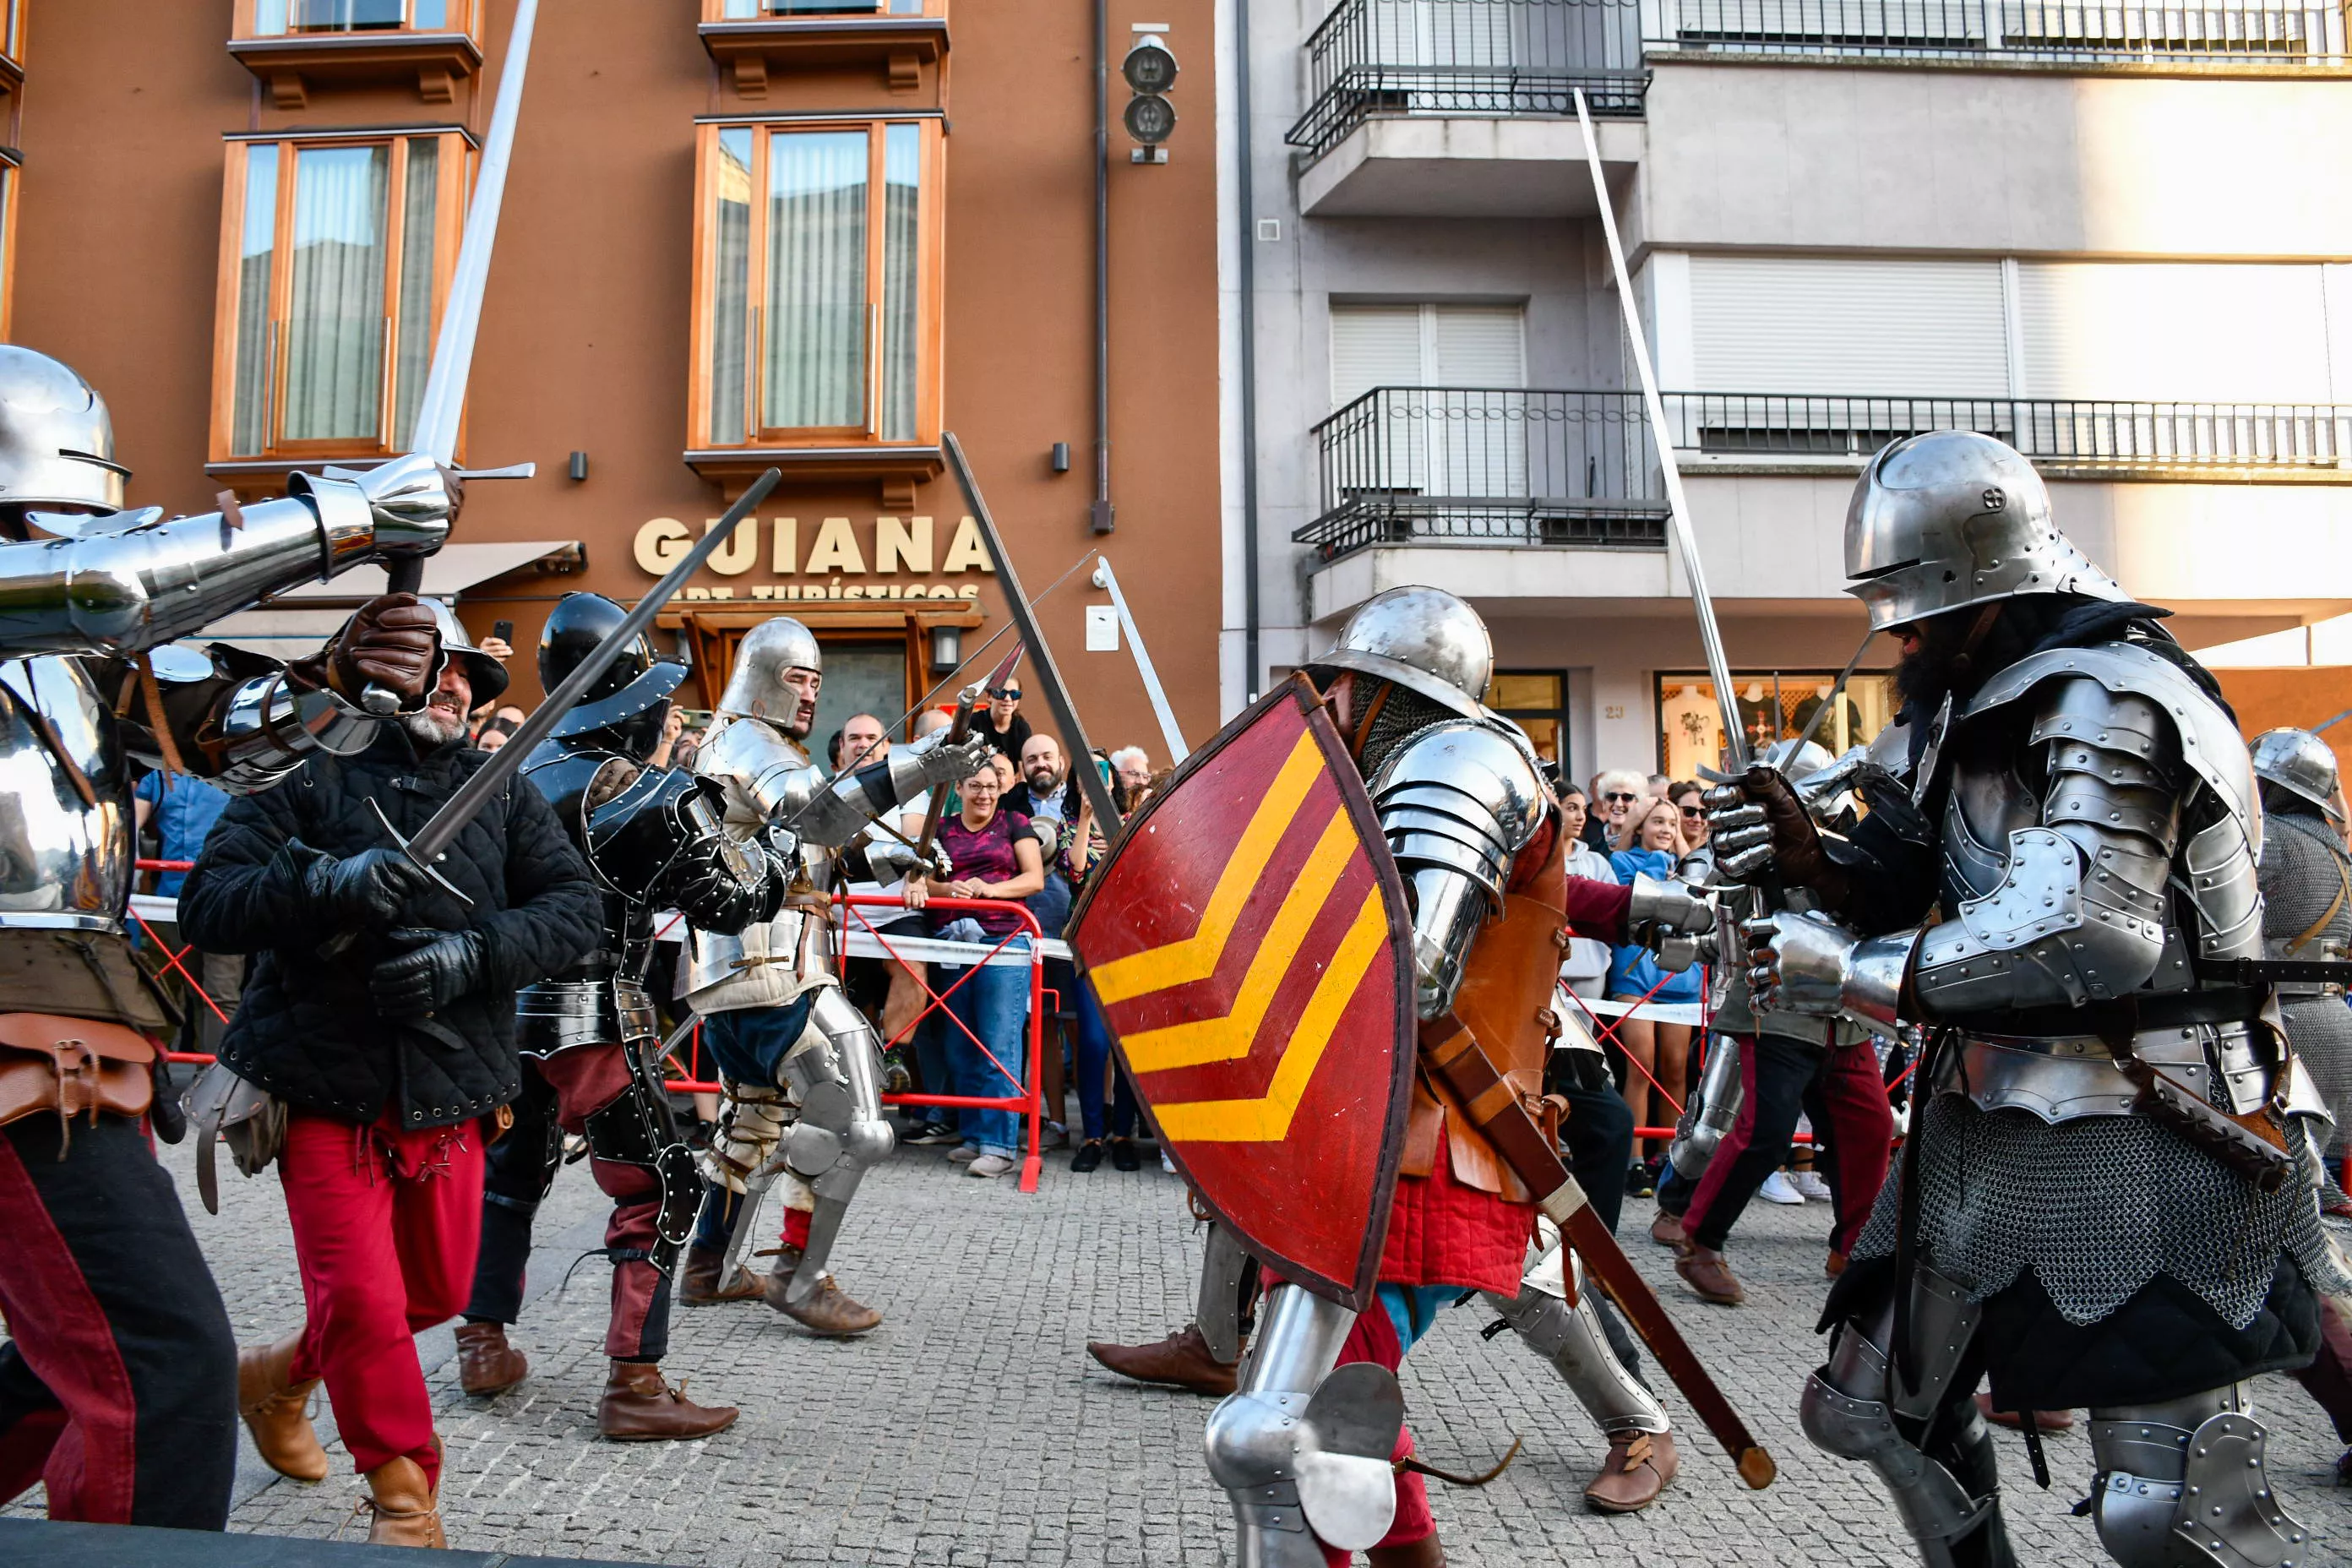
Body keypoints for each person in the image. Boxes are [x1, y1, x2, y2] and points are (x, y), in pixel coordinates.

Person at [1712, 429, 2339, 1566]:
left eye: (1913, 607)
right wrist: (1814, 863)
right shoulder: (1963, 706)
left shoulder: (2109, 693)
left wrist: (1851, 974)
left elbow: (2088, 931)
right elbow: (1916, 869)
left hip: (2156, 1117)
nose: (1898, 632)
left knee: (2167, 1508)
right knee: (1862, 1408)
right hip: (1983, 1118)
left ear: (1980, 586)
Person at [1095, 588, 1716, 1556]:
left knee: (1287, 1426)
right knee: (1333, 1415)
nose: (1332, 703)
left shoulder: (1456, 762)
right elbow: (1518, 887)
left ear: (1393, 695)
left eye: (1350, 685)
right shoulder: (1410, 778)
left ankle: (1639, 1420)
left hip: (1434, 1139)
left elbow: (1405, 973)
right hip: (1373, 1134)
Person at [0, 346, 451, 1536]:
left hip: (63, 1034)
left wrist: (347, 680)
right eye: (43, 514)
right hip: (14, 1045)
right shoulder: (60, 595)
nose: (65, 533)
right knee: (163, 1368)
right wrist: (350, 512)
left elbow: (235, 738)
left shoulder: (71, 643)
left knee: (70, 1364)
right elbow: (112, 585)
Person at [182, 601, 602, 1548]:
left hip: (454, 1090)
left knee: (437, 1291)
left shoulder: (498, 788)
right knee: (366, 1299)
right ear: (381, 673)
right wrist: (320, 883)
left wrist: (472, 955)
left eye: (470, 674)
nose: (456, 684)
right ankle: (406, 1499)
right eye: (438, 666)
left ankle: (280, 1377)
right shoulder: (301, 770)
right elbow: (208, 904)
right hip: (321, 1086)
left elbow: (575, 909)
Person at [454, 593, 784, 1440]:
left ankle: (483, 1339)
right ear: (629, 705)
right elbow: (727, 904)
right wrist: (773, 857)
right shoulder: (640, 792)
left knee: (512, 1172)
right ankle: (635, 1381)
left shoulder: (509, 773)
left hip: (507, 1016)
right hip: (596, 1015)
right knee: (662, 1182)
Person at [677, 619, 989, 1332]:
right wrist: (918, 763)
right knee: (858, 1122)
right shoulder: (747, 741)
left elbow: (811, 852)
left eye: (817, 682)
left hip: (751, 967)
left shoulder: (756, 746)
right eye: (798, 679)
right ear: (761, 677)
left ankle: (710, 1265)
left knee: (754, 1123)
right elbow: (812, 817)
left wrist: (893, 860)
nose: (811, 695)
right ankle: (800, 1274)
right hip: (772, 965)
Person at [1654, 741, 1894, 1308]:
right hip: (1777, 999)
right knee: (1763, 1131)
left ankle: (1856, 1250)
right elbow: (1724, 896)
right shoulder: (1750, 837)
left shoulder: (1859, 833)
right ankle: (1699, 1240)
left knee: (1869, 1127)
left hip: (1845, 1006)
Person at [912, 759, 1045, 1179]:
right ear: (960, 789)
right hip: (954, 941)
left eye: (991, 785)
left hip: (1004, 942)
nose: (984, 793)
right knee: (960, 1043)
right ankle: (973, 1136)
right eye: (975, 785)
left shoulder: (1015, 822)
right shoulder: (942, 828)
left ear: (1001, 788)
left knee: (997, 1043)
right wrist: (948, 889)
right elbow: (923, 880)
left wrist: (991, 891)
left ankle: (1000, 1144)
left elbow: (1034, 879)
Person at [1608, 796, 1701, 1185]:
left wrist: (1682, 850)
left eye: (1672, 824)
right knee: (1641, 1065)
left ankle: (1669, 1157)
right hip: (1635, 976)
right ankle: (1633, 1159)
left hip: (1679, 977)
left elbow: (1699, 889)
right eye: (1658, 821)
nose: (1666, 829)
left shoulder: (1689, 866)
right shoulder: (1621, 863)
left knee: (1677, 1069)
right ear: (1640, 827)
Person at [1065, 760, 1141, 1173]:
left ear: (1112, 779)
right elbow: (1076, 871)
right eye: (1085, 773)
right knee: (1094, 1044)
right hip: (1089, 953)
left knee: (1126, 1048)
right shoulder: (1066, 826)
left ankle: (1123, 1133)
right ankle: (1092, 1134)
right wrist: (1084, 820)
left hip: (1129, 950)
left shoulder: (1131, 822)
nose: (1093, 779)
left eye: (1100, 771)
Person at [134, 769, 239, 1053]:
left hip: (224, 899)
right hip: (172, 902)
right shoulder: (157, 778)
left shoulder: (237, 772)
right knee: (175, 989)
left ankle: (217, 1078)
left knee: (219, 993)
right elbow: (129, 829)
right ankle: (156, 1070)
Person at [971, 677, 1032, 764]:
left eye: (1014, 694)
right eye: (1001, 693)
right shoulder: (975, 721)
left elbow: (1023, 768)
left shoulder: (1021, 728)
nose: (1008, 699)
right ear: (989, 696)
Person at [1586, 769, 1645, 852]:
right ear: (1604, 803)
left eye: (1627, 797)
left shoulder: (1645, 844)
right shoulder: (1596, 847)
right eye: (1612, 797)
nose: (1618, 804)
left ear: (1637, 803)